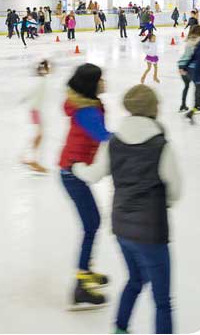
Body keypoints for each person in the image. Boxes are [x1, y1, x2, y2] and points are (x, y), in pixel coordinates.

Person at [72, 85, 181, 334]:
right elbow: (175, 191)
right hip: (151, 233)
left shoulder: (114, 142)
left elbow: (94, 174)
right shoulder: (161, 145)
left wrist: (77, 167)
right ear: (154, 109)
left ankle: (120, 329)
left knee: (135, 280)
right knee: (163, 301)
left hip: (122, 229)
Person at [59, 63, 113, 310]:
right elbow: (104, 136)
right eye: (101, 79)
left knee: (92, 223)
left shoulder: (86, 105)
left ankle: (85, 271)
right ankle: (81, 283)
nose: (104, 82)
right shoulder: (86, 112)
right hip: (73, 172)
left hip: (72, 169)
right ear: (92, 84)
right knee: (91, 224)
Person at [21, 59, 52, 174]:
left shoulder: (41, 80)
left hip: (36, 110)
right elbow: (32, 92)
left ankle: (27, 157)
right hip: (36, 111)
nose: (51, 69)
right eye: (49, 67)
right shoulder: (41, 81)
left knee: (38, 135)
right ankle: (32, 160)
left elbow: (31, 93)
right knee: (39, 136)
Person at [176, 25, 200, 116]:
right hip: (189, 66)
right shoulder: (199, 40)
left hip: (181, 65)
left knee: (186, 86)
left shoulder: (189, 38)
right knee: (197, 86)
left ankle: (183, 105)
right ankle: (197, 106)